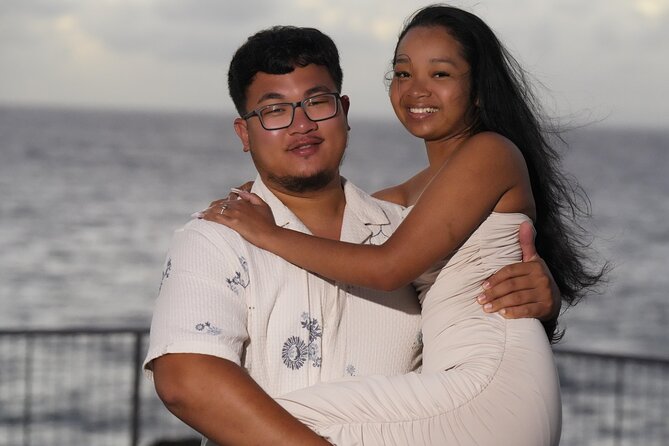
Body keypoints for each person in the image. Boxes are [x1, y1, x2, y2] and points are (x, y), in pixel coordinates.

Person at [202, 5, 604, 445]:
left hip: (491, 382)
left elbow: (388, 267)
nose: (417, 90)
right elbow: (350, 236)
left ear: (478, 90)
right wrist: (262, 203)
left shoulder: (490, 153)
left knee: (261, 422)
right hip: (454, 382)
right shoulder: (401, 199)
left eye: (441, 74)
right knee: (258, 423)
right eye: (403, 73)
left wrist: (268, 232)